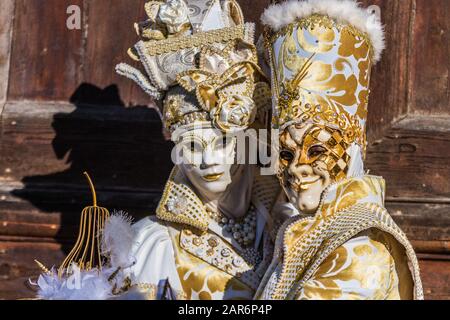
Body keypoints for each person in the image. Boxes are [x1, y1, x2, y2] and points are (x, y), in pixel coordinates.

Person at [254, 0, 423, 300]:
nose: (296, 168)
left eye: (316, 149)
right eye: (286, 154)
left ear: (353, 150)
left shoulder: (357, 251)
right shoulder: (308, 234)